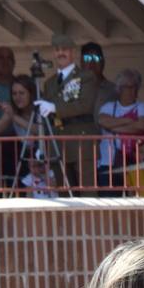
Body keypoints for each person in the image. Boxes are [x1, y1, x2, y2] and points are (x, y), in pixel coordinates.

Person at [41, 34, 109, 188]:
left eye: (65, 49)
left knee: (87, 193)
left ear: (72, 52)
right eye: (57, 50)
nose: (61, 53)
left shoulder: (86, 76)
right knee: (64, 194)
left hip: (81, 141)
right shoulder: (49, 83)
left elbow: (85, 105)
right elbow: (48, 119)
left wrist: (55, 108)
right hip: (58, 143)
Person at [96, 69, 144, 196]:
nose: (133, 90)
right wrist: (129, 120)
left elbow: (142, 125)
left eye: (135, 86)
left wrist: (114, 128)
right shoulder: (108, 107)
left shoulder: (143, 106)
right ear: (119, 89)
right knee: (110, 203)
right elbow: (102, 121)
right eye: (128, 87)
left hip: (135, 163)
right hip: (109, 163)